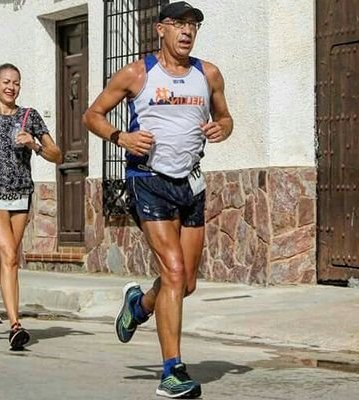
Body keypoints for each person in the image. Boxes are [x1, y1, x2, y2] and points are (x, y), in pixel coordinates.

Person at [83, 1, 233, 398]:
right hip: (147, 179)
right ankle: (172, 371)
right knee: (172, 270)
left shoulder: (209, 73)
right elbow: (92, 115)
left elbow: (226, 118)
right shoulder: (137, 73)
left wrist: (222, 128)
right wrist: (122, 138)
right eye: (179, 24)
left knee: (186, 283)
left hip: (191, 182)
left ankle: (139, 306)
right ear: (161, 30)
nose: (187, 32)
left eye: (193, 26)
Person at [0, 63, 63, 350]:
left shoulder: (29, 117)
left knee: (3, 259)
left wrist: (34, 144)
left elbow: (57, 154)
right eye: (5, 81)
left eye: (16, 82)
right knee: (6, 254)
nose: (11, 87)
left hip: (20, 195)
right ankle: (15, 326)